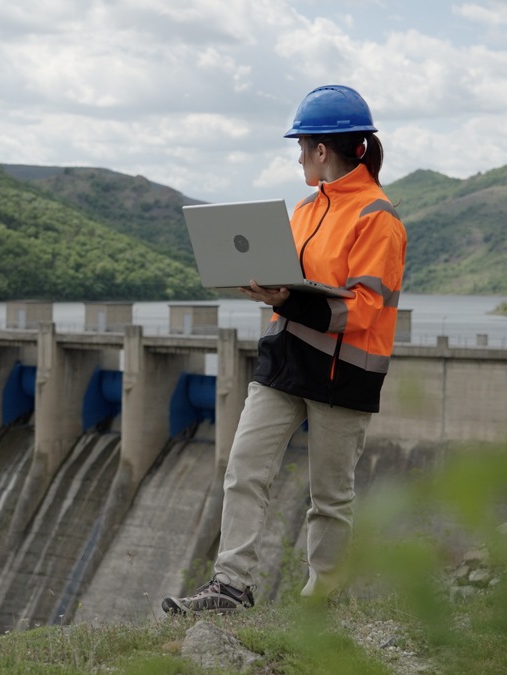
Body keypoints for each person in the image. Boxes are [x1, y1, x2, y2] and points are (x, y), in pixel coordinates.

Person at [162, 84, 407, 614]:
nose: (297, 155)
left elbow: (363, 309)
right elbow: (295, 288)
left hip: (343, 377)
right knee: (244, 468)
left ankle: (323, 602)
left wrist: (289, 301)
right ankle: (231, 587)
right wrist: (269, 290)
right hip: (284, 365)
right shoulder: (303, 209)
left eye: (302, 145)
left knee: (330, 498)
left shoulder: (377, 219)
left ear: (323, 150)